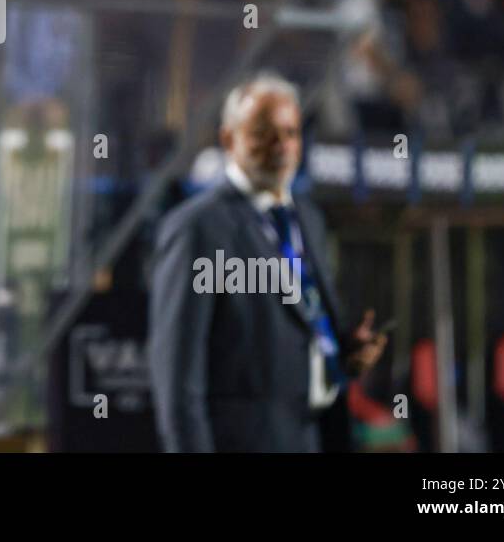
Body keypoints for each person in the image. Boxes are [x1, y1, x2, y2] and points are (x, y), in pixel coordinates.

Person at [147, 72, 386, 452]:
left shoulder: (307, 218)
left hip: (312, 438)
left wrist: (344, 353)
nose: (281, 146)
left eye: (290, 133)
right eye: (264, 133)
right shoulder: (198, 230)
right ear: (229, 139)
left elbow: (298, 327)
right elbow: (177, 380)